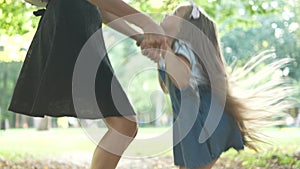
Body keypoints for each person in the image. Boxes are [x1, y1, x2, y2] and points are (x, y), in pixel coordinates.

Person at [9, 0, 166, 168]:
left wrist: (139, 36)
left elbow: (102, 8)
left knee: (125, 125)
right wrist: (146, 22)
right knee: (124, 125)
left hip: (81, 28)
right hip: (72, 26)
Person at [141, 1, 293, 169]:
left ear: (186, 29)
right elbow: (168, 87)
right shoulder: (171, 51)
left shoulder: (183, 47)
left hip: (203, 122)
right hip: (192, 124)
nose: (167, 15)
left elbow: (182, 81)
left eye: (175, 13)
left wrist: (165, 50)